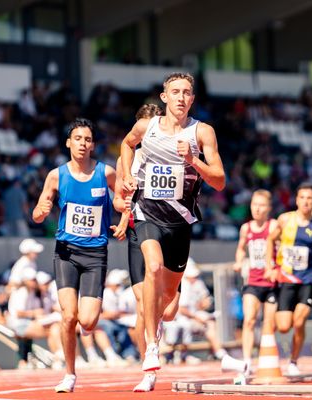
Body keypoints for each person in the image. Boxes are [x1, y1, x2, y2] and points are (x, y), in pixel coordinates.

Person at [119, 72, 225, 374]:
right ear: (164, 97)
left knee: (166, 304)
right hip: (146, 213)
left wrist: (194, 160)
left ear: (192, 99)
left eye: (187, 92)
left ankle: (164, 310)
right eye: (175, 91)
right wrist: (127, 174)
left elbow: (219, 181)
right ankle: (151, 347)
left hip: (179, 222)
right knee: (151, 267)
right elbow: (127, 145)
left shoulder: (202, 132)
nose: (181, 97)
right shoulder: (146, 126)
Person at [32, 118, 117, 393]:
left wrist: (124, 217)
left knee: (88, 321)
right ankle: (69, 373)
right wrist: (42, 212)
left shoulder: (106, 173)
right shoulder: (56, 175)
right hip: (66, 253)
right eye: (77, 138)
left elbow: (124, 199)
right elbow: (37, 212)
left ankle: (88, 324)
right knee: (68, 316)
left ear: (93, 145)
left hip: (95, 255)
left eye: (87, 139)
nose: (83, 143)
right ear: (69, 142)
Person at [113, 103, 184, 391]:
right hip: (137, 232)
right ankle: (149, 367)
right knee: (143, 305)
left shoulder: (171, 154)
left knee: (166, 311)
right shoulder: (127, 158)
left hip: (168, 230)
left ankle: (170, 295)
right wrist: (124, 207)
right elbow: (118, 199)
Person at [266, 183, 312, 376]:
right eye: (302, 197)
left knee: (299, 321)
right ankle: (290, 356)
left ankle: (294, 361)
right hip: (287, 279)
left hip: (309, 279)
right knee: (284, 326)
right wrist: (270, 264)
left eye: (310, 198)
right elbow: (271, 239)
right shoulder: (285, 220)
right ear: (297, 200)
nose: (306, 201)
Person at [233, 189, 278, 372]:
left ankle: (266, 359)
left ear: (268, 208)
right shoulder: (246, 228)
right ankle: (246, 361)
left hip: (272, 282)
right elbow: (241, 248)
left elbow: (283, 249)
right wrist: (238, 261)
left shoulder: (274, 226)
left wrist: (274, 267)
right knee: (249, 320)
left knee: (269, 323)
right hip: (252, 280)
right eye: (254, 204)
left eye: (261, 205)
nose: (257, 209)